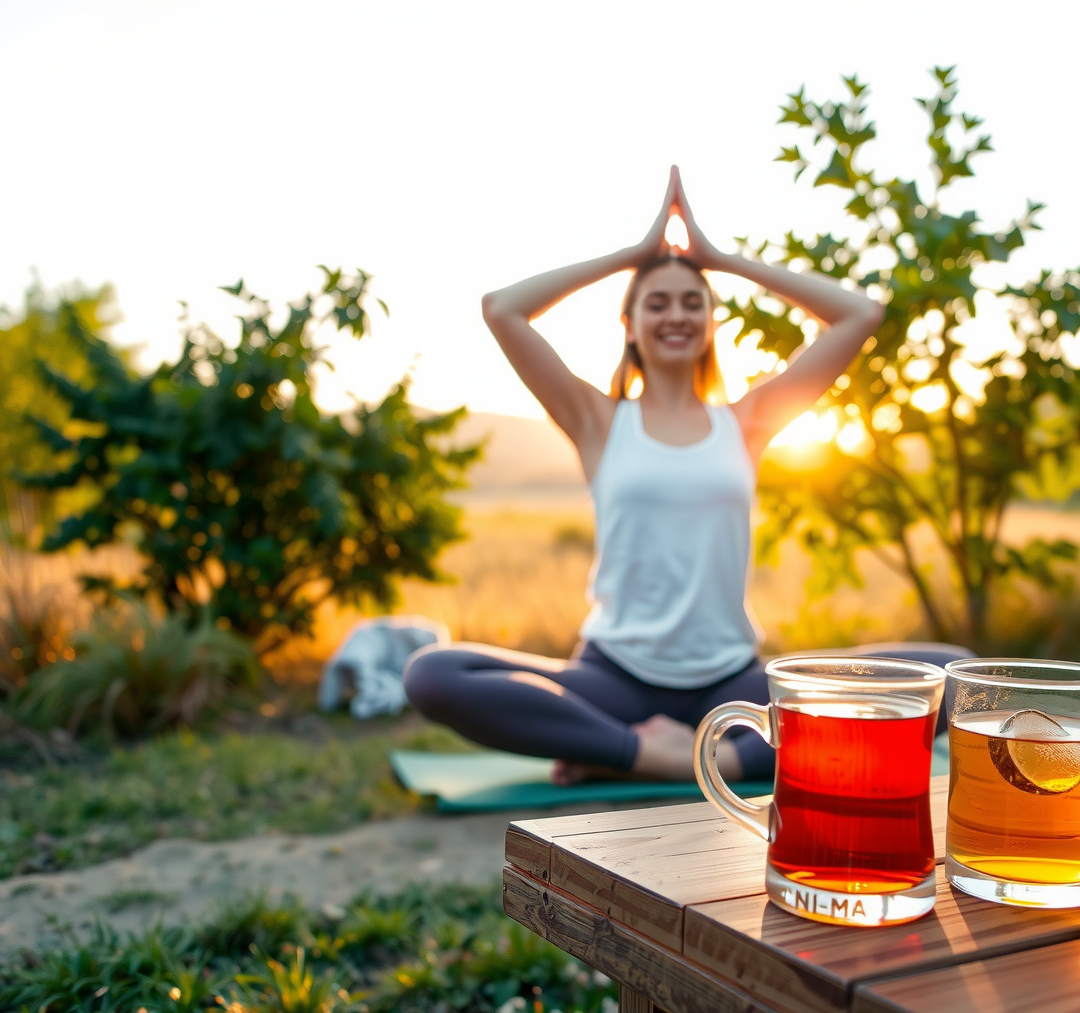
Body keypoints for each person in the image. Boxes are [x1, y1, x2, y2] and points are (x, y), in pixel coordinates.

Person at [404, 167, 970, 784]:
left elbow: (860, 314)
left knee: (952, 673)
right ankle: (645, 751)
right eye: (657, 301)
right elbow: (503, 309)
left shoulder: (748, 422)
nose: (676, 314)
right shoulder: (597, 420)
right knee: (432, 674)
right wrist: (632, 255)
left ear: (710, 322)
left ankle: (677, 755)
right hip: (612, 679)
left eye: (692, 301)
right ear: (630, 325)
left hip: (732, 684)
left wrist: (723, 260)